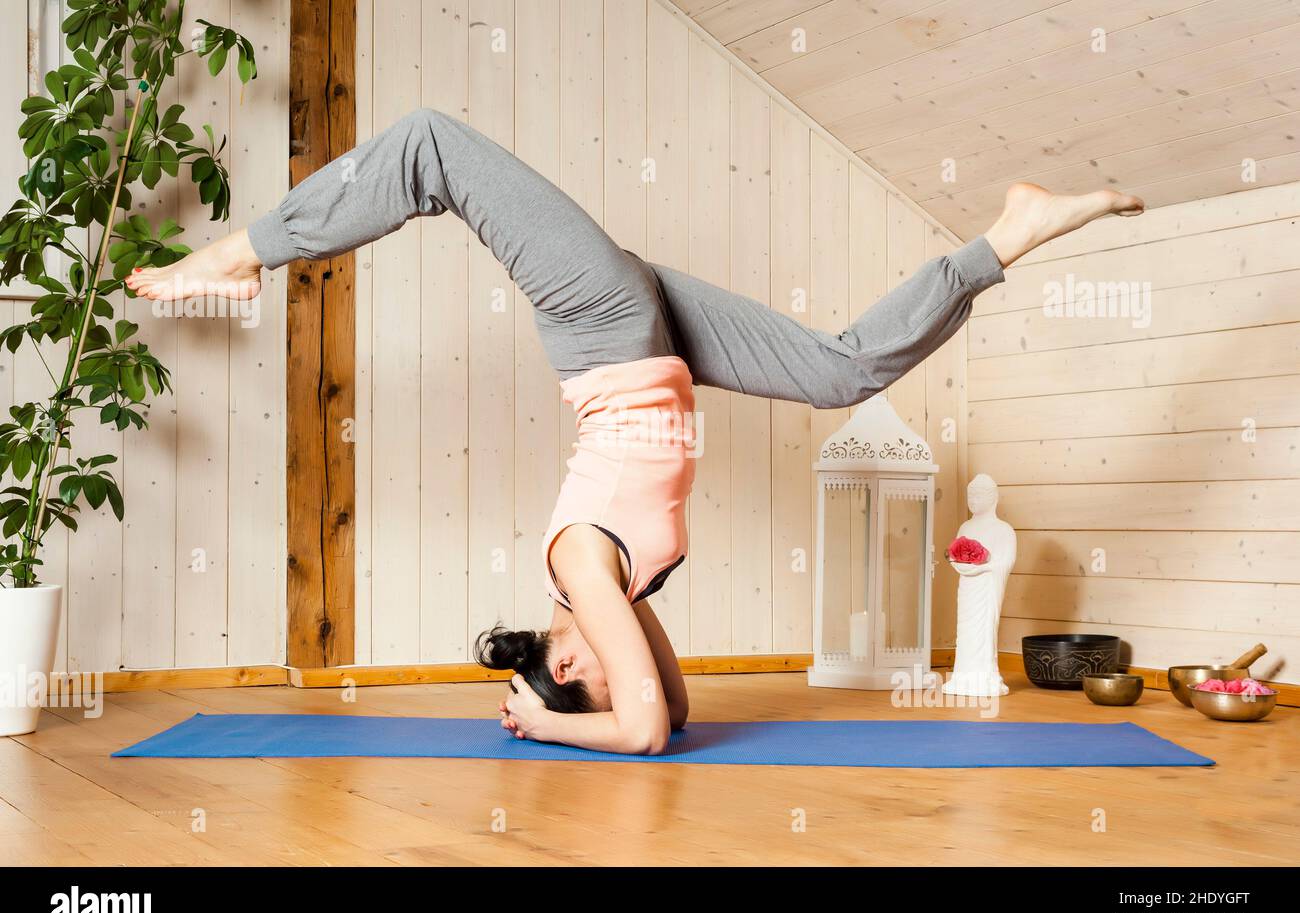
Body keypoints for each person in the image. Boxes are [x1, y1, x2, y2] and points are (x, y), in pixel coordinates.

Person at [126, 109, 1144, 754]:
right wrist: (566, 718)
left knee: (429, 145)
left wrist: (549, 728)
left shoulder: (580, 563)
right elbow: (676, 714)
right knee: (841, 370)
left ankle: (242, 253)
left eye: (606, 678)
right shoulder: (618, 590)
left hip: (603, 320)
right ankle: (1008, 232)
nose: (635, 675)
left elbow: (646, 730)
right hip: (655, 334)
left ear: (573, 666)